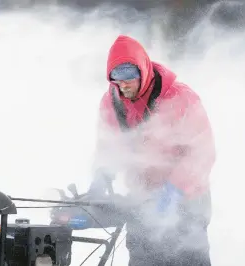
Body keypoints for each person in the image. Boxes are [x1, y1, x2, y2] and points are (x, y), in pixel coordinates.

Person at [91, 35, 216, 266]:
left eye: (129, 75)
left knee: (186, 258)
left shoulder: (179, 98)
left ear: (143, 70)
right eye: (116, 77)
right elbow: (107, 146)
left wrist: (174, 189)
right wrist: (101, 176)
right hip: (142, 202)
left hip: (187, 202)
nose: (123, 84)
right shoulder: (110, 103)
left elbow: (202, 151)